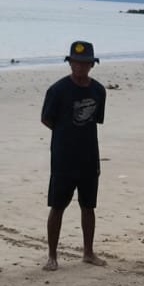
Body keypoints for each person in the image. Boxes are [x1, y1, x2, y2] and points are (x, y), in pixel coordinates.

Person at [41, 40, 107, 271]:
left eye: (84, 64)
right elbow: (47, 119)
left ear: (91, 65)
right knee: (57, 206)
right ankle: (52, 255)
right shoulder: (57, 90)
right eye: (76, 63)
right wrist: (65, 134)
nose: (80, 68)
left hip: (89, 156)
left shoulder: (98, 90)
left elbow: (96, 119)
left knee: (88, 206)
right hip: (63, 157)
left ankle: (88, 252)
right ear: (70, 63)